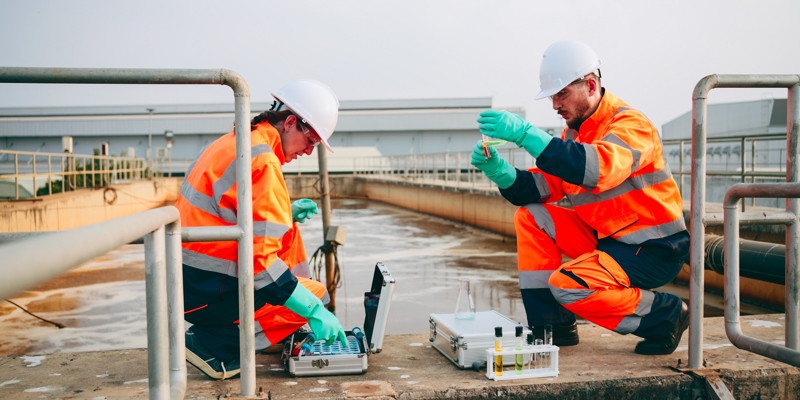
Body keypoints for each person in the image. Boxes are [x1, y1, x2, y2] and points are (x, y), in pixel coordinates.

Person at [472, 40, 690, 355]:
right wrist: (500, 172)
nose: (555, 105)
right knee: (531, 216)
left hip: (654, 249)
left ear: (590, 86)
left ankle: (663, 315)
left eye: (561, 94)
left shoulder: (631, 125)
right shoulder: (575, 135)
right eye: (552, 96)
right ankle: (554, 328)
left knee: (568, 284)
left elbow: (597, 169)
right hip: (609, 241)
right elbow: (543, 188)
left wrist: (525, 134)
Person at [176, 79, 347, 380]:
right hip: (205, 295)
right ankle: (213, 344)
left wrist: (284, 215)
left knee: (287, 230)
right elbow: (261, 266)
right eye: (311, 142)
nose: (309, 152)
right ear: (291, 122)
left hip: (187, 284)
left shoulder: (236, 141)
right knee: (315, 294)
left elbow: (224, 210)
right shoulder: (264, 162)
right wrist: (312, 310)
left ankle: (277, 326)